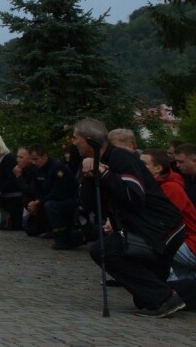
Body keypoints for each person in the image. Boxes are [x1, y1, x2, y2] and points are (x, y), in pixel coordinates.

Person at [73, 118, 185, 315]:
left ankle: (166, 298)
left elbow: (134, 198)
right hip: (145, 227)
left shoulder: (121, 158)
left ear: (89, 140)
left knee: (104, 250)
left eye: (76, 138)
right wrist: (91, 177)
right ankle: (168, 296)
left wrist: (105, 174)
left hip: (161, 228)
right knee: (144, 299)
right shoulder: (100, 162)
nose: (73, 143)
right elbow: (89, 206)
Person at [140, 149, 196, 282]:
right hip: (183, 243)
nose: (138, 167)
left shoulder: (170, 188)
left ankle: (162, 291)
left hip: (191, 244)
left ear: (158, 168)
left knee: (143, 244)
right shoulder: (155, 187)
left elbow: (163, 222)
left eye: (142, 164)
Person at [0, 135, 23, 229]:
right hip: (3, 198)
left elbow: (11, 179)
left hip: (13, 198)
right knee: (4, 225)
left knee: (12, 226)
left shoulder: (9, 158)